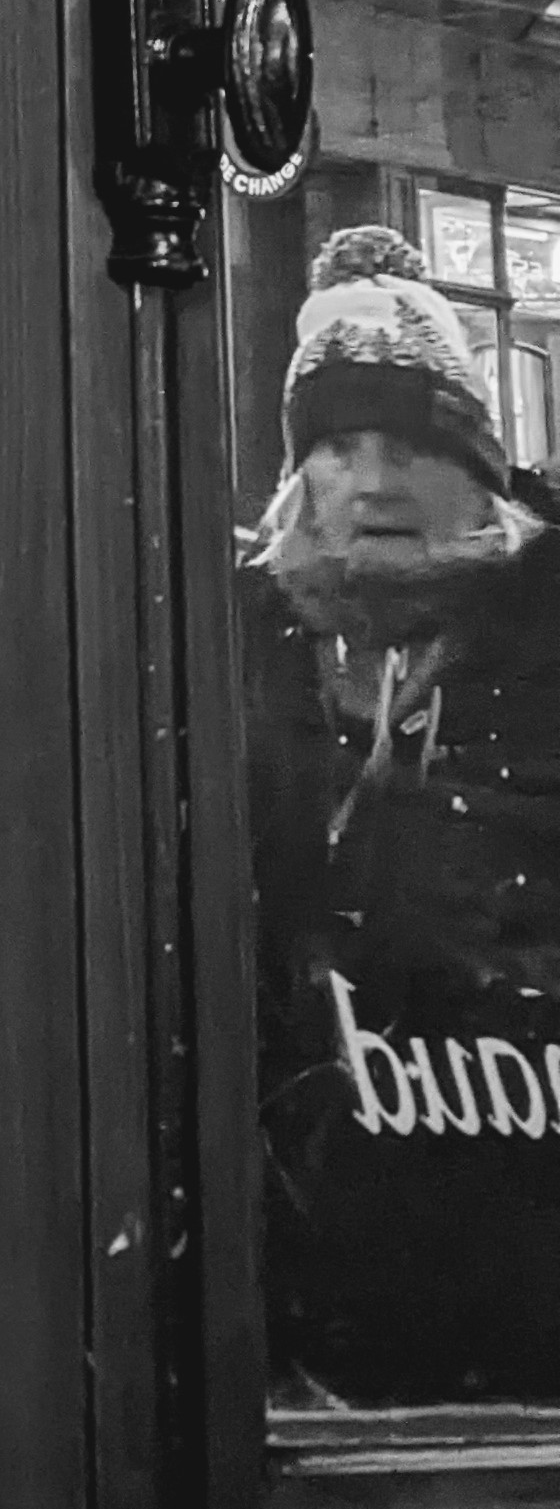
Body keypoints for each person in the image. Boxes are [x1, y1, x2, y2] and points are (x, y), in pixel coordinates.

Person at [240, 228, 560, 1405]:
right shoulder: (240, 648)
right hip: (293, 1276)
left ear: (477, 469)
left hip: (520, 1232)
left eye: (411, 447)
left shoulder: (543, 637)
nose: (373, 482)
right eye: (338, 447)